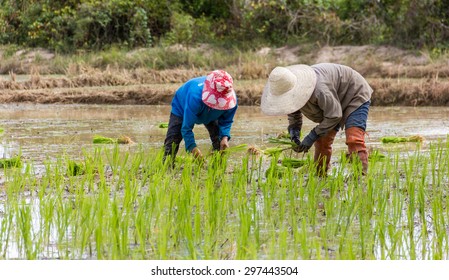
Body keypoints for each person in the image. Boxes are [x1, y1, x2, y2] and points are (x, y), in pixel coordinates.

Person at [261, 63, 372, 175]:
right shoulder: (293, 92)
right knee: (321, 141)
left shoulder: (319, 90)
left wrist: (312, 136)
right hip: (332, 103)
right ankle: (319, 175)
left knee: (354, 138)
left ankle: (361, 177)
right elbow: (294, 113)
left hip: (354, 93)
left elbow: (334, 115)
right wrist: (294, 132)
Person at [163, 70, 238, 163]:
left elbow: (226, 121)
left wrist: (225, 137)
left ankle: (217, 168)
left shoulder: (229, 98)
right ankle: (167, 166)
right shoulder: (195, 96)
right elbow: (186, 128)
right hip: (182, 106)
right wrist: (193, 148)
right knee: (173, 140)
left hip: (212, 114)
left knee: (219, 142)